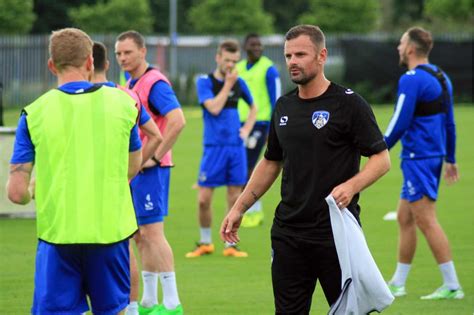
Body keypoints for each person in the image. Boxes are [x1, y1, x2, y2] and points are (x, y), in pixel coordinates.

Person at [220, 25, 391, 314]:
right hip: (288, 233)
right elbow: (271, 161)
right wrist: (239, 208)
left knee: (350, 311)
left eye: (300, 54)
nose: (292, 62)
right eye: (288, 55)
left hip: (335, 233)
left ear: (322, 56)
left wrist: (352, 186)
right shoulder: (284, 106)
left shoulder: (348, 104)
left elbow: (381, 159)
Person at [7, 28, 142, 314]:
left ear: (51, 65)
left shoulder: (34, 112)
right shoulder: (125, 105)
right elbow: (133, 166)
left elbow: (16, 194)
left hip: (59, 237)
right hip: (110, 234)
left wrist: (34, 188)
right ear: (91, 63)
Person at [384, 27, 463, 300]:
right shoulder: (441, 77)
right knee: (405, 218)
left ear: (411, 49)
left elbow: (399, 121)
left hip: (418, 158)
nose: (398, 47)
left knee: (426, 220)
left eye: (401, 42)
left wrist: (378, 147)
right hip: (433, 157)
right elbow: (449, 122)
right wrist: (450, 158)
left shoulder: (411, 79)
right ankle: (398, 282)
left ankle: (452, 285)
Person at [115, 30, 185, 315]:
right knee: (140, 236)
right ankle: (148, 300)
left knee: (153, 234)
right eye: (118, 53)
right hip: (137, 168)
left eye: (127, 52)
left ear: (143, 52)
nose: (122, 58)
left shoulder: (155, 83)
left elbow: (177, 121)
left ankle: (172, 303)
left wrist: (154, 157)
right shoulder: (130, 82)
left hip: (151, 169)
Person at [91, 41, 163, 315]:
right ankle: (131, 309)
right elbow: (155, 135)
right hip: (119, 187)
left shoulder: (75, 98)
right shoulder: (127, 96)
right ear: (107, 64)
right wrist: (129, 172)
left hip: (90, 190)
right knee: (125, 249)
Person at [186, 39, 257, 258]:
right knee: (203, 199)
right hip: (213, 148)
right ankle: (206, 242)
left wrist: (246, 129)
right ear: (218, 58)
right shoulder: (204, 82)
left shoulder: (239, 82)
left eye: (235, 61)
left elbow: (253, 107)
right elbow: (214, 109)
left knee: (234, 197)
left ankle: (230, 246)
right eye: (227, 60)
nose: (230, 65)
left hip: (235, 148)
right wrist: (227, 84)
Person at [236, 33, 281, 228]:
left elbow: (276, 100)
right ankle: (249, 209)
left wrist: (274, 129)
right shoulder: (238, 69)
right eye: (253, 45)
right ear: (245, 46)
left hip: (261, 124)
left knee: (249, 167)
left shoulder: (268, 69)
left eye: (259, 45)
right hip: (241, 125)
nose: (257, 48)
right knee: (242, 168)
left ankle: (253, 211)